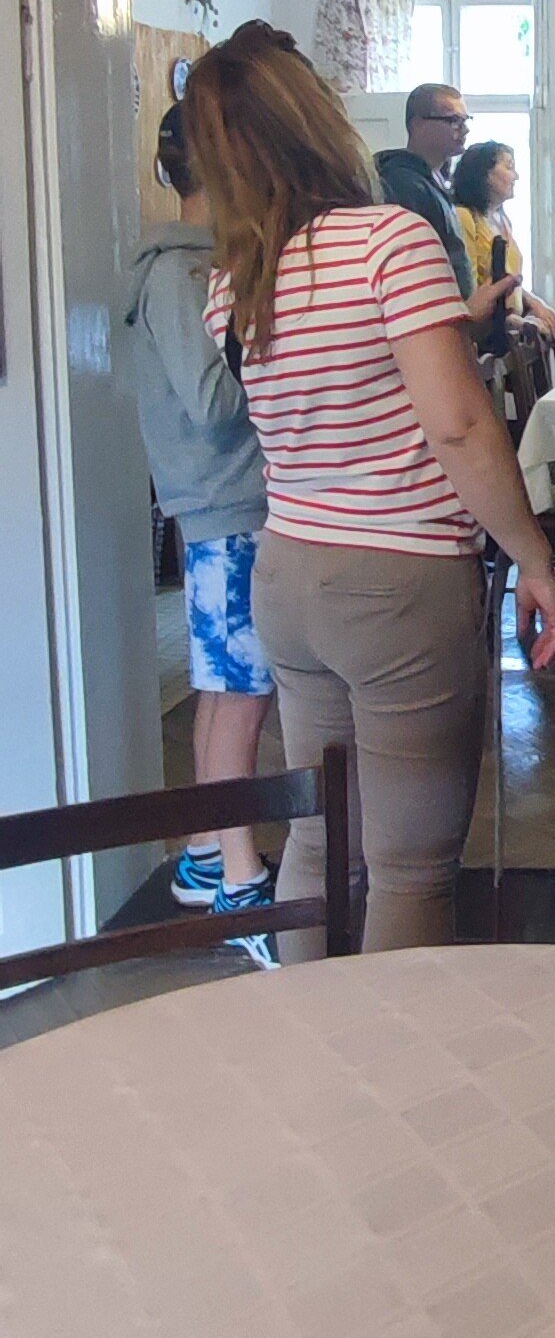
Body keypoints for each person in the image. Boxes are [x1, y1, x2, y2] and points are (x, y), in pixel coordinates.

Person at [184, 25, 555, 953]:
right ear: (317, 120)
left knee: (321, 847)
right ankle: (395, 1051)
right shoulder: (390, 240)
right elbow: (459, 425)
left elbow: (332, 393)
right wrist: (533, 558)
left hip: (290, 575)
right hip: (397, 581)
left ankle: (311, 1036)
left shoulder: (235, 280)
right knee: (410, 869)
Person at [124, 101, 276, 916]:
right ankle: (241, 878)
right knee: (241, 692)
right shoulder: (183, 276)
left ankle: (208, 854)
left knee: (223, 689)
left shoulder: (192, 267)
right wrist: (276, 346)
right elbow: (214, 403)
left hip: (222, 505)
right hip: (229, 504)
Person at [376, 83, 508, 340]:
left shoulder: (434, 182)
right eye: (453, 120)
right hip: (425, 330)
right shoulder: (403, 183)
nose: (464, 129)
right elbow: (411, 272)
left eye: (466, 120)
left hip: (453, 323)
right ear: (418, 124)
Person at [452, 140, 555, 350]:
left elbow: (508, 278)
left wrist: (534, 302)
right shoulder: (465, 217)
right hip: (485, 338)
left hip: (510, 333)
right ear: (485, 174)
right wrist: (511, 320)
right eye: (509, 167)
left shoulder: (503, 220)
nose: (515, 176)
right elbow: (470, 290)